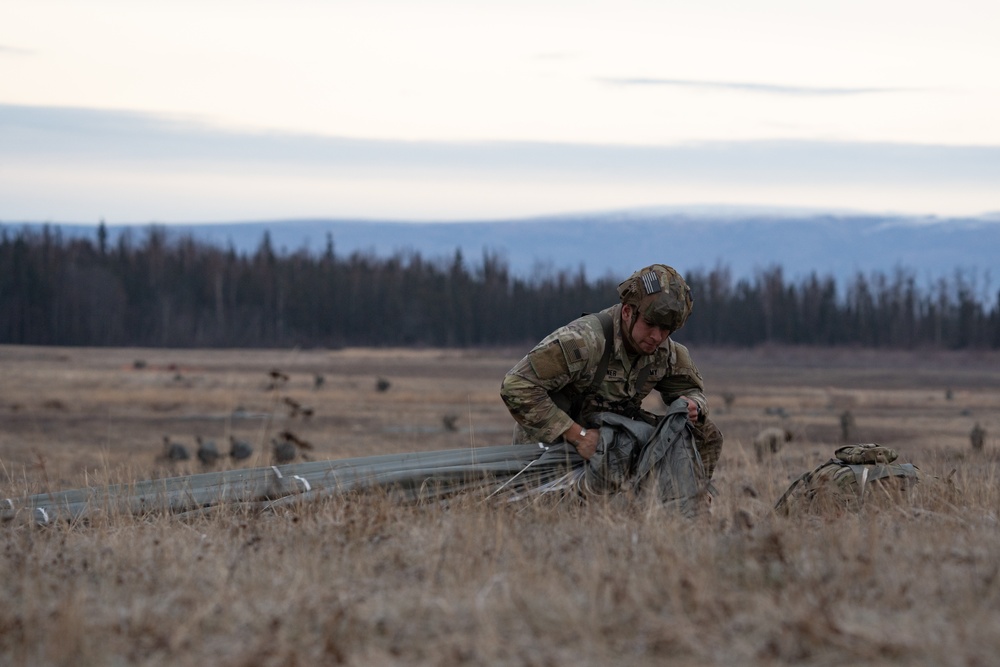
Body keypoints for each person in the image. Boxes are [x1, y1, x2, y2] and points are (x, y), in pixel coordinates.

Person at [500, 263, 724, 506]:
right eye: (650, 325)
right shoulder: (583, 342)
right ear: (628, 312)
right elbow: (516, 385)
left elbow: (692, 390)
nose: (657, 337)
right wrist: (579, 436)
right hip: (554, 447)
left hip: (612, 445)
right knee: (546, 511)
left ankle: (686, 503)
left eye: (666, 330)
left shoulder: (667, 353)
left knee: (705, 433)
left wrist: (693, 404)